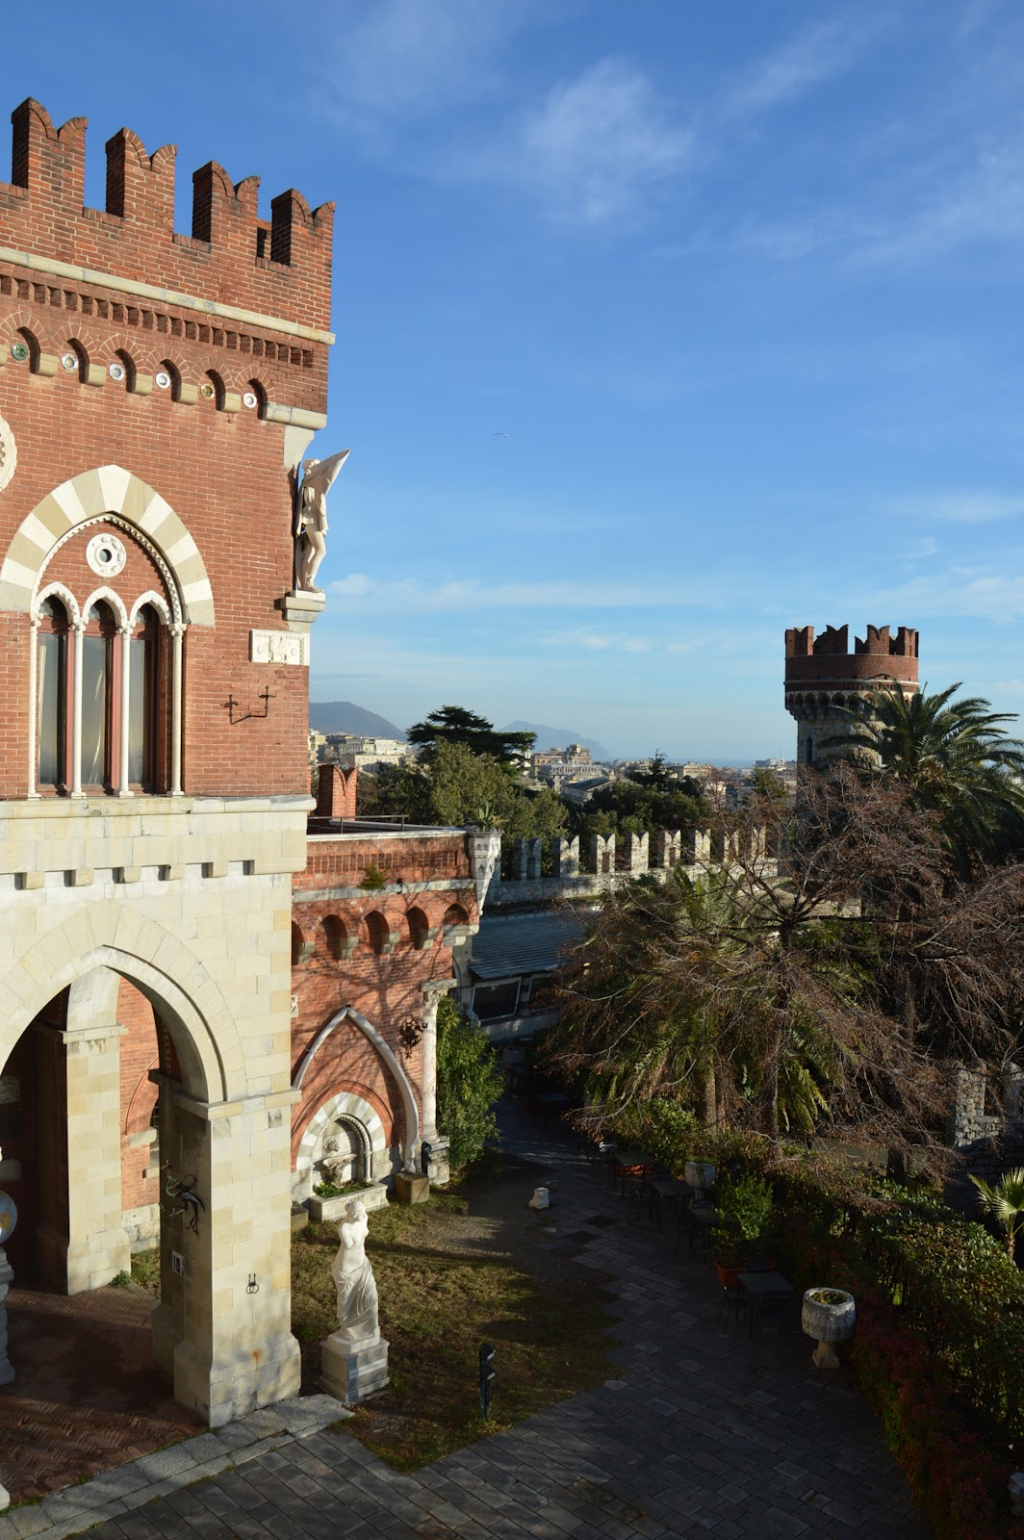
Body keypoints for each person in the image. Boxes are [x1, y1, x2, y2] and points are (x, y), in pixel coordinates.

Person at [295, 449, 350, 592]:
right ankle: (308, 581)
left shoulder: (312, 485)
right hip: (311, 519)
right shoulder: (308, 486)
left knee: (311, 552)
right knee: (321, 550)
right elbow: (311, 504)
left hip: (314, 520)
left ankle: (304, 583)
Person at [331, 1197, 379, 1345]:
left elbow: (364, 1226)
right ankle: (347, 1329)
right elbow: (351, 1245)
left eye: (362, 1214)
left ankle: (372, 1327)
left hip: (362, 1264)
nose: (361, 1217)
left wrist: (363, 1221)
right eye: (358, 1215)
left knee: (372, 1297)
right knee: (345, 1300)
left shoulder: (363, 1218)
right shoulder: (344, 1228)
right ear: (351, 1214)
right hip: (347, 1268)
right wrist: (362, 1232)